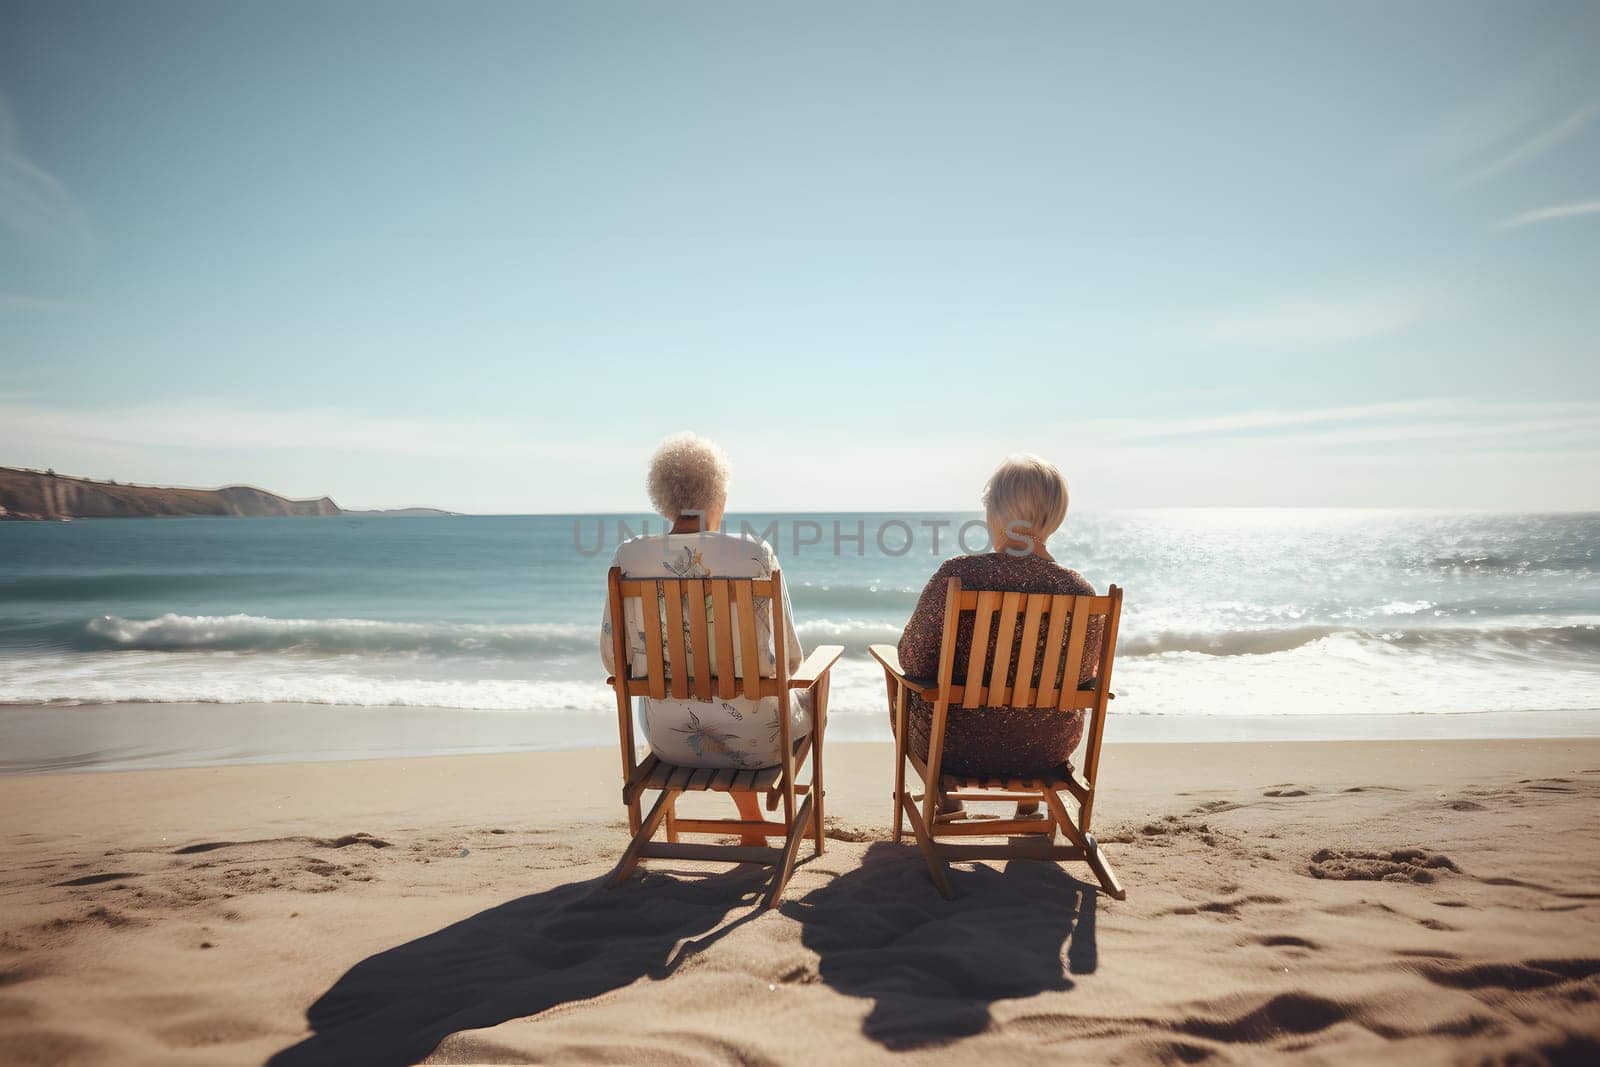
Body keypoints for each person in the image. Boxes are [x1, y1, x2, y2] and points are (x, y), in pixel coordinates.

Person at [600, 432, 811, 840]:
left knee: (700, 695)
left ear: (663, 497)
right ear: (717, 495)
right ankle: (775, 793)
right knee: (815, 690)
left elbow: (614, 662)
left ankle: (751, 824)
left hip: (670, 742)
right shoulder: (753, 555)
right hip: (758, 745)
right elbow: (790, 662)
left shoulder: (628, 558)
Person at [895, 454, 1103, 817]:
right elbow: (1086, 680)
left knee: (902, 693)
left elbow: (912, 659)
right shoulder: (1081, 592)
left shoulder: (957, 575)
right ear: (1056, 516)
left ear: (995, 512)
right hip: (1048, 750)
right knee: (1039, 707)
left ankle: (946, 799)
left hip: (952, 747)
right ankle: (1029, 805)